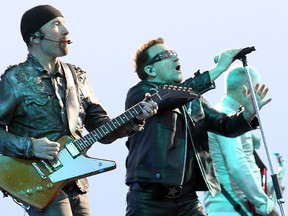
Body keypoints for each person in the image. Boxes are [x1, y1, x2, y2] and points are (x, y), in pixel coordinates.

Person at [0, 4, 158, 216]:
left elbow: (103, 129)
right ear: (36, 37)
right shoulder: (15, 79)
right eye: (57, 25)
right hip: (38, 183)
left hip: (76, 182)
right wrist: (30, 147)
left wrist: (135, 118)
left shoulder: (77, 77)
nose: (66, 31)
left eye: (64, 25)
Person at [124, 37, 272, 216]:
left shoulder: (193, 100)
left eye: (175, 54)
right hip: (149, 199)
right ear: (150, 69)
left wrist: (247, 114)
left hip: (187, 199)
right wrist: (219, 69)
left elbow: (224, 125)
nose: (175, 58)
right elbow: (166, 99)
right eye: (166, 55)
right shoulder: (140, 94)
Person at [203, 65, 276, 215]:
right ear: (247, 88)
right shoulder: (225, 116)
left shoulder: (230, 116)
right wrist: (265, 206)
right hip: (231, 208)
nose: (258, 96)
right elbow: (237, 165)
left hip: (236, 207)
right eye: (257, 89)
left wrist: (269, 187)